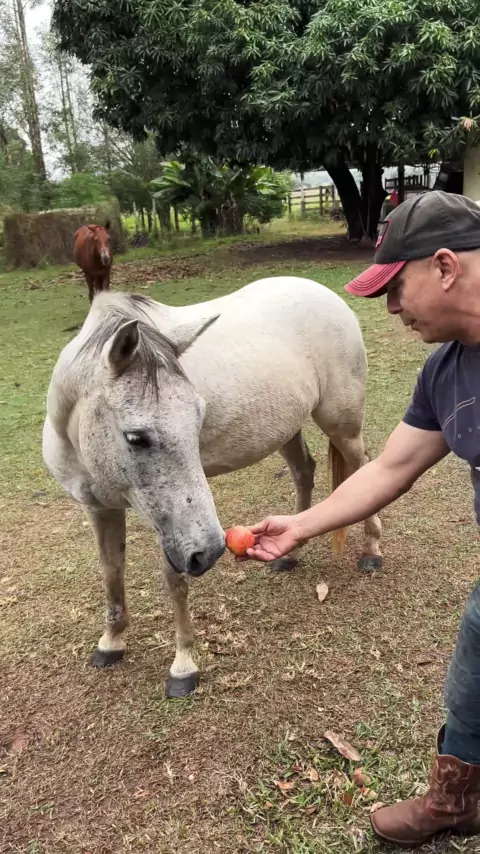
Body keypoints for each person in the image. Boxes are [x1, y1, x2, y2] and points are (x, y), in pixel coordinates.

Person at [240, 190, 480, 848]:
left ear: (444, 267)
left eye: (395, 289)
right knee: (470, 688)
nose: (391, 308)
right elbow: (390, 467)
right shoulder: (446, 372)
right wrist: (302, 525)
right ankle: (455, 803)